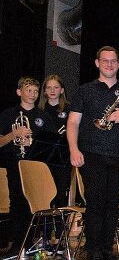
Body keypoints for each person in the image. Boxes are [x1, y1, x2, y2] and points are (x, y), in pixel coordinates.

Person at [67, 46, 119, 260]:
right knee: (95, 201)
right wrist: (73, 149)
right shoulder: (85, 91)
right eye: (105, 61)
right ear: (97, 63)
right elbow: (73, 122)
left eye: (113, 61)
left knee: (112, 204)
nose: (109, 65)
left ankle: (106, 248)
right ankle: (92, 250)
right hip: (91, 153)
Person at [0, 77, 55, 257]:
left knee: (34, 204)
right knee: (17, 202)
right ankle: (17, 244)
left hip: (35, 165)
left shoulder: (43, 116)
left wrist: (31, 142)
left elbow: (50, 145)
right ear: (19, 92)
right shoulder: (8, 114)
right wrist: (14, 134)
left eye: (35, 91)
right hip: (14, 164)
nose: (32, 94)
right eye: (29, 90)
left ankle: (31, 241)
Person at [38, 75, 71, 210]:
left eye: (56, 87)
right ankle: (42, 229)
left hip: (62, 159)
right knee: (42, 195)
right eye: (49, 87)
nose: (52, 91)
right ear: (44, 91)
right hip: (42, 159)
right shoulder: (38, 110)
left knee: (59, 195)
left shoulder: (69, 109)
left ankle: (59, 230)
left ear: (62, 90)